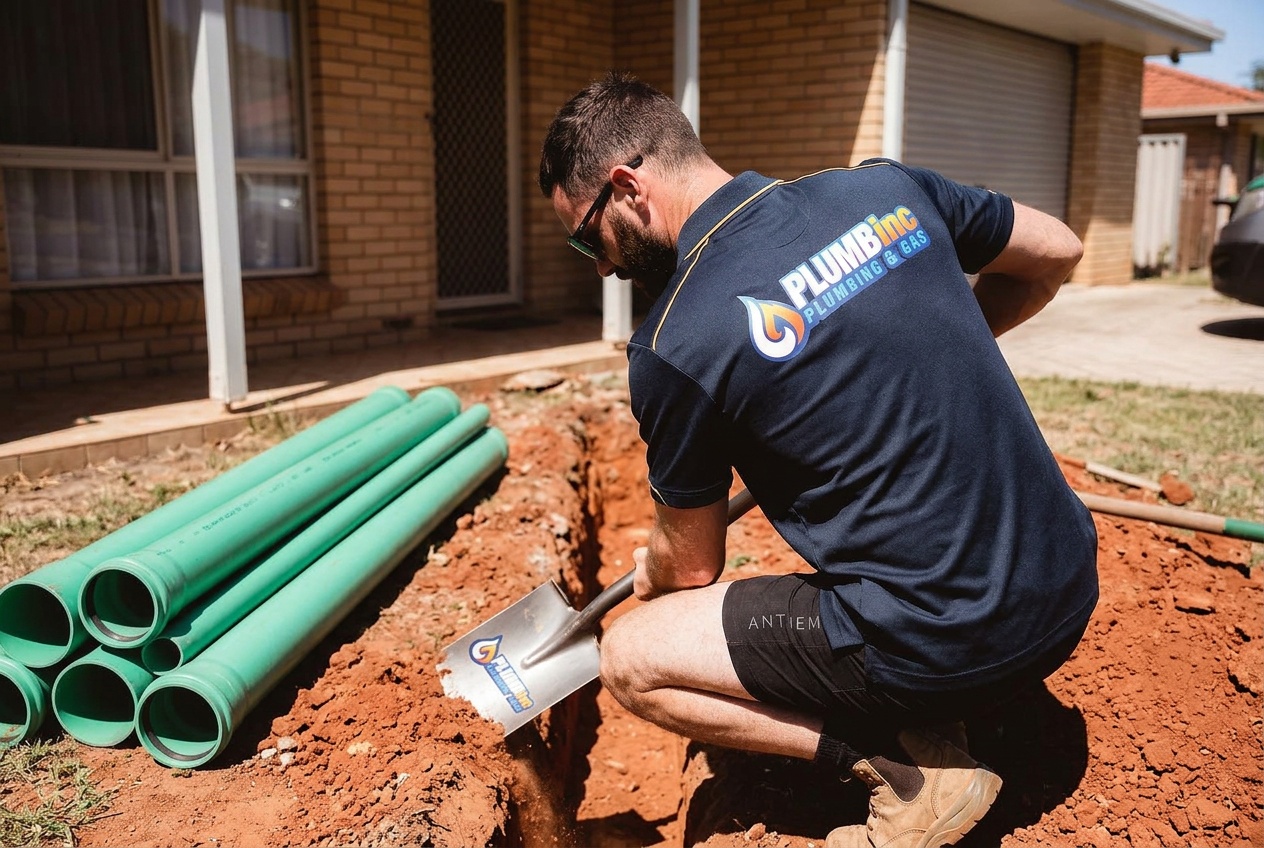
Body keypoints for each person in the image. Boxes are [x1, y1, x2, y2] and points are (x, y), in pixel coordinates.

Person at [538, 72, 1098, 848]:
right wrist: (925, 341)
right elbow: (1057, 251)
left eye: (585, 235)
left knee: (632, 656)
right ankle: (938, 695)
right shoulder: (884, 189)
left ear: (628, 186)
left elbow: (693, 567)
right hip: (1068, 587)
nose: (598, 265)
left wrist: (653, 571)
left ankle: (912, 776)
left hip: (955, 642)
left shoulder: (677, 343)